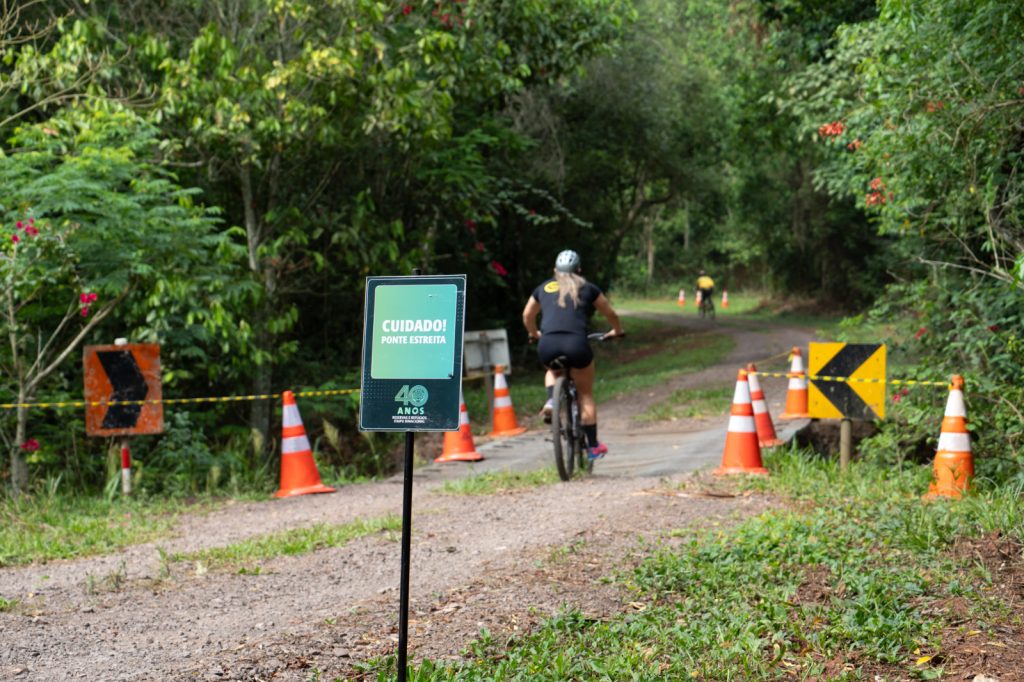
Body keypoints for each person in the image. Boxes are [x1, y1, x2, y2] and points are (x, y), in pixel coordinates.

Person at [522, 249, 624, 459]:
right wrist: (617, 330)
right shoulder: (588, 288)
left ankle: (552, 400)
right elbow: (610, 313)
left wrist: (534, 334)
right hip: (577, 343)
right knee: (585, 394)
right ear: (579, 270)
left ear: (554, 271)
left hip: (548, 343)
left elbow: (527, 314)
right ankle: (593, 446)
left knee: (552, 370)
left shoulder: (543, 287)